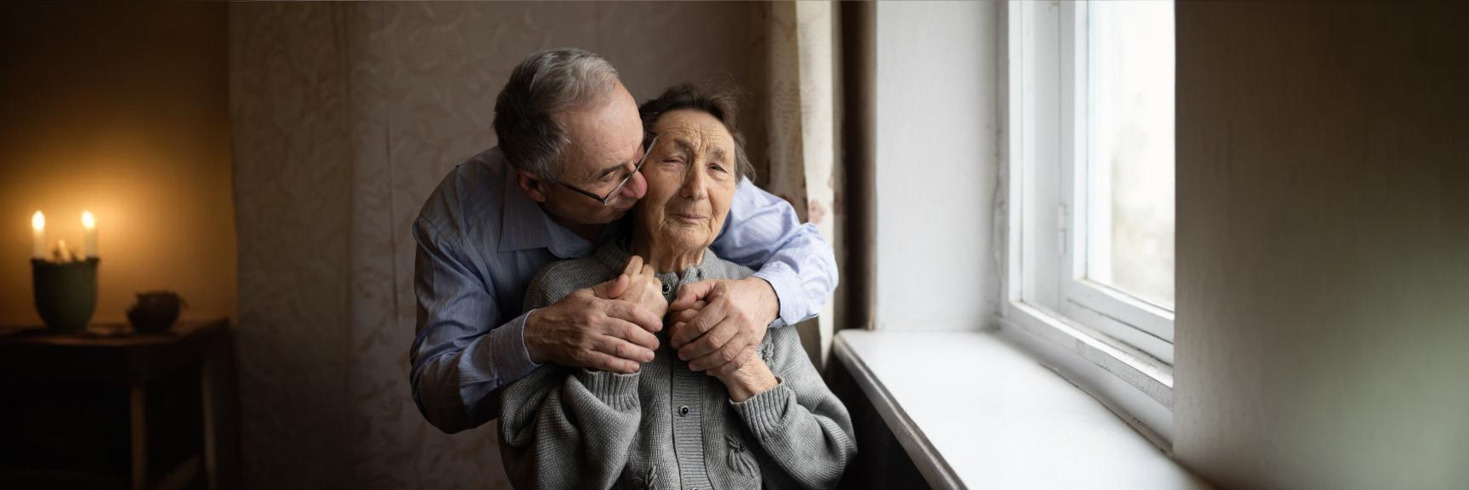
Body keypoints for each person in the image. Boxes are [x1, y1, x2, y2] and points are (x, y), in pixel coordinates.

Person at [409, 48, 838, 433]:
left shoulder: (682, 178)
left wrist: (765, 297)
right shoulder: (459, 223)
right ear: (535, 186)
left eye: (642, 154)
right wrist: (537, 336)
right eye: (611, 177)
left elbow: (813, 254)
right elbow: (438, 398)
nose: (640, 188)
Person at [498, 83, 855, 490]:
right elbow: (538, 477)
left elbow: (830, 463)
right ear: (634, 176)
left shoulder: (751, 299)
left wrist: (745, 369)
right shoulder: (561, 289)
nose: (697, 188)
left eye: (718, 168)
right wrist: (611, 362)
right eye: (673, 160)